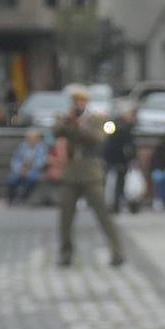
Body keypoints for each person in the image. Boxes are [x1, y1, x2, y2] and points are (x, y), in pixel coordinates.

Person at [54, 85, 124, 267]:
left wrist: (79, 126)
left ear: (87, 102)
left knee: (103, 214)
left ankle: (117, 251)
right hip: (71, 172)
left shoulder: (96, 119)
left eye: (81, 101)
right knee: (65, 216)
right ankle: (65, 253)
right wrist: (68, 121)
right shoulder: (67, 118)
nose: (78, 105)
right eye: (75, 101)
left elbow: (98, 139)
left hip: (91, 172)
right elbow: (56, 132)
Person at [7, 129, 48, 204]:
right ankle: (11, 199)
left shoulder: (42, 147)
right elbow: (15, 160)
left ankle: (24, 198)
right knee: (12, 180)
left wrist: (29, 169)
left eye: (34, 138)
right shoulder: (22, 146)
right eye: (29, 138)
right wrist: (20, 169)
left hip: (34, 170)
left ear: (38, 138)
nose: (31, 140)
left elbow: (42, 161)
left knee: (31, 180)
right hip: (20, 170)